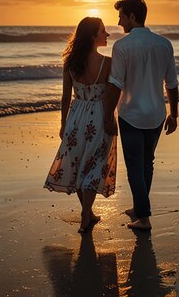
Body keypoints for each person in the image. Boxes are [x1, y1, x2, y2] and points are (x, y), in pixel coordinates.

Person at [103, 0, 179, 231]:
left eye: (122, 15)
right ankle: (139, 208)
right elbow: (172, 84)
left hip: (131, 114)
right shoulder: (164, 44)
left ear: (133, 17)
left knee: (136, 165)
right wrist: (174, 114)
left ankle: (143, 217)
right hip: (156, 113)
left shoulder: (122, 46)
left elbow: (115, 84)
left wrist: (108, 116)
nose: (118, 20)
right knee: (147, 163)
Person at [44, 17, 117, 233]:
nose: (107, 35)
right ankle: (87, 213)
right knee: (94, 165)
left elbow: (65, 97)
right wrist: (111, 118)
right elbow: (113, 94)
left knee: (77, 164)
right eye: (103, 31)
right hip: (99, 116)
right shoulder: (108, 62)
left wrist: (63, 123)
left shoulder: (71, 62)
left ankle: (87, 212)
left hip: (76, 117)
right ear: (93, 36)